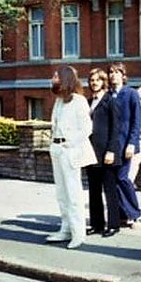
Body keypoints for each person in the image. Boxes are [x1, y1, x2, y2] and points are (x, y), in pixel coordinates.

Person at [47, 66, 98, 249]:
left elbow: (87, 128)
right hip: (57, 149)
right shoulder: (59, 101)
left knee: (73, 193)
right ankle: (66, 228)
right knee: (61, 193)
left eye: (56, 76)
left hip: (70, 150)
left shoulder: (79, 101)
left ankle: (78, 233)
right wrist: (54, 145)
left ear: (65, 79)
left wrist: (70, 144)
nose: (53, 79)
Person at [85, 68, 122, 238]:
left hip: (107, 153)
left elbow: (116, 129)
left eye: (97, 80)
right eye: (92, 80)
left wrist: (111, 151)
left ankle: (113, 224)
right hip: (91, 153)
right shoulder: (88, 101)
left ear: (103, 82)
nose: (94, 83)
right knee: (93, 191)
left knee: (110, 190)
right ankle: (96, 224)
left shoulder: (110, 101)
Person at [107, 62, 141, 227]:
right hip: (111, 146)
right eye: (110, 72)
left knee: (123, 178)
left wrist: (132, 143)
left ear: (123, 75)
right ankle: (120, 214)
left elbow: (136, 121)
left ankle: (135, 214)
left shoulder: (131, 94)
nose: (113, 75)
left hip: (125, 144)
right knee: (113, 181)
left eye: (116, 72)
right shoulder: (108, 95)